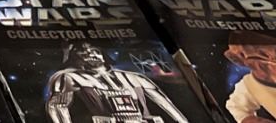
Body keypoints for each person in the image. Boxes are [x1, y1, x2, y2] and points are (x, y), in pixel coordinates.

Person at [46, 43, 190, 123]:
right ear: (73, 57)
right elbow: (58, 107)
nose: (90, 54)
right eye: (82, 51)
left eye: (95, 50)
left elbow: (166, 104)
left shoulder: (134, 78)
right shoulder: (69, 77)